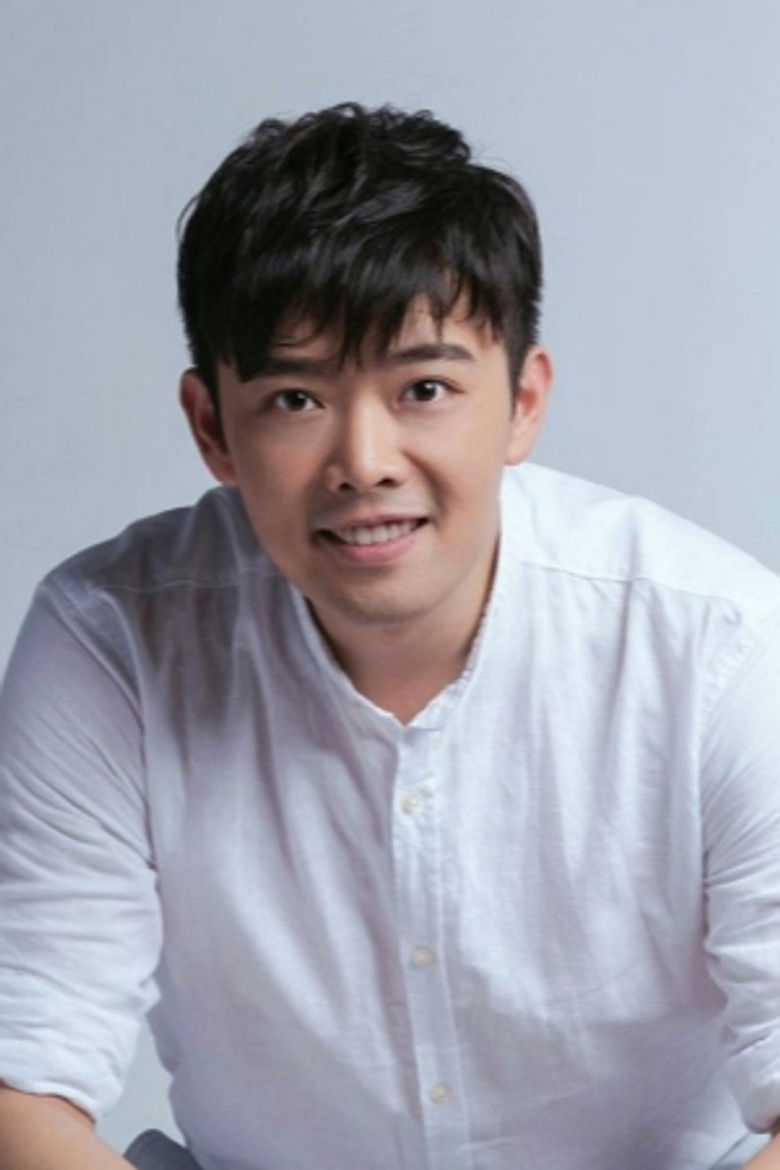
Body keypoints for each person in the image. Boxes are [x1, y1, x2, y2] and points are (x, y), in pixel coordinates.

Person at [1, 102, 779, 1170]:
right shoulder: (111, 641)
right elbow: (20, 1084)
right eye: (294, 398)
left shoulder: (719, 643)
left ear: (523, 401)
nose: (364, 462)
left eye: (424, 388)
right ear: (212, 426)